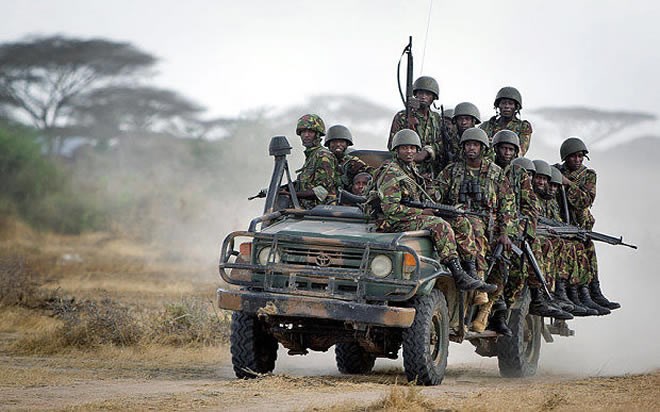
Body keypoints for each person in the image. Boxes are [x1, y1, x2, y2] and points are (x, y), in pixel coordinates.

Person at [371, 128, 497, 293]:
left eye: (412, 148)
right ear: (396, 150)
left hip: (409, 216)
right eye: (404, 148)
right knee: (439, 225)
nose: (409, 152)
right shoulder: (391, 172)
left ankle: (471, 272)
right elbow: (391, 209)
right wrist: (423, 213)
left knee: (460, 221)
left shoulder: (409, 169)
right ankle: (458, 273)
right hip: (392, 221)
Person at [436, 128, 517, 333]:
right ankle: (476, 280)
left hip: (488, 227)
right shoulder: (452, 171)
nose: (472, 148)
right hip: (457, 221)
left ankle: (481, 292)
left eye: (476, 145)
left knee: (480, 233)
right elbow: (435, 194)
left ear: (482, 148)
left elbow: (507, 206)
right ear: (463, 147)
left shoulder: (495, 173)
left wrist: (504, 232)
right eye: (468, 144)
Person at [492, 132, 571, 321]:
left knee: (527, 254)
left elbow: (530, 207)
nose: (507, 152)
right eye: (504, 148)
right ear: (496, 149)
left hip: (514, 228)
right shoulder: (488, 169)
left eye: (511, 149)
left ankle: (536, 297)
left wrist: (521, 230)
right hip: (489, 226)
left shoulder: (519, 175)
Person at [557, 137, 619, 312]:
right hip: (560, 224)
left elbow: (585, 200)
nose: (577, 160)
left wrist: (568, 183)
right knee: (572, 253)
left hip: (580, 224)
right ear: (565, 158)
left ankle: (593, 292)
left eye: (580, 157)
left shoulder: (588, 175)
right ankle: (576, 293)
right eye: (573, 157)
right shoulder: (556, 171)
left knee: (588, 250)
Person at [387, 76, 446, 178]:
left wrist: (427, 152)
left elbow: (441, 145)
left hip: (430, 172)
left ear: (433, 97)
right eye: (420, 93)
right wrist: (410, 155)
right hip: (404, 172)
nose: (423, 97)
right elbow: (392, 146)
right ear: (415, 95)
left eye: (427, 94)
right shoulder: (403, 117)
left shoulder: (437, 119)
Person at [285, 114, 340, 209]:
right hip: (308, 210)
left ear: (317, 134)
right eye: (303, 132)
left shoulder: (323, 156)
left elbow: (322, 191)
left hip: (321, 213)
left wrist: (293, 194)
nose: (306, 135)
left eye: (310, 132)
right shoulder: (312, 156)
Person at [479, 87, 533, 156]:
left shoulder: (523, 127)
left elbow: (520, 152)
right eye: (503, 103)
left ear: (516, 107)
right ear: (498, 105)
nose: (506, 106)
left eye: (510, 104)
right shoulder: (487, 126)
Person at [324, 124, 373, 191]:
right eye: (334, 142)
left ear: (347, 144)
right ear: (329, 144)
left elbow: (371, 173)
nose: (338, 144)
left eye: (342, 142)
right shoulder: (322, 160)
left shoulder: (352, 162)